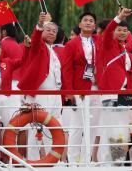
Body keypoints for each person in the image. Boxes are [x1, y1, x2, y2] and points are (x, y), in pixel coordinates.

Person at [18, 12, 65, 161]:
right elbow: (36, 38)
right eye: (48, 30)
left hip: (55, 94)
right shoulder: (38, 46)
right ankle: (33, 161)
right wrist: (39, 25)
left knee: (55, 128)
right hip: (41, 94)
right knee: (36, 129)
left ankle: (52, 161)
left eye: (54, 31)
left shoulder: (54, 51)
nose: (51, 33)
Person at [61, 11, 101, 163]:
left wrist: (119, 17)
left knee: (93, 127)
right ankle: (72, 161)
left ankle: (85, 161)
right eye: (85, 20)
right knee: (77, 127)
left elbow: (122, 39)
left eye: (91, 21)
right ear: (80, 24)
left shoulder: (99, 41)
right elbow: (66, 69)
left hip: (96, 88)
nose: (88, 22)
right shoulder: (71, 44)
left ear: (95, 26)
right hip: (79, 89)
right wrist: (69, 93)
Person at [97, 7, 132, 165]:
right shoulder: (108, 44)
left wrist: (124, 21)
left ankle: (117, 162)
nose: (122, 33)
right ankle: (107, 163)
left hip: (125, 94)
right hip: (111, 93)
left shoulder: (124, 48)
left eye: (125, 31)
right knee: (110, 128)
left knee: (122, 129)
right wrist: (119, 17)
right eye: (119, 30)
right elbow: (108, 32)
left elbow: (131, 41)